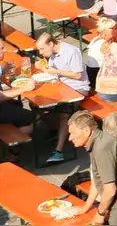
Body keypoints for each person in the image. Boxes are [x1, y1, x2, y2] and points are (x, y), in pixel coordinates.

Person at [69, 111, 117, 225]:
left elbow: (110, 190)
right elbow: (97, 181)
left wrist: (100, 214)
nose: (70, 138)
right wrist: (85, 207)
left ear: (86, 131)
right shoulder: (98, 141)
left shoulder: (102, 148)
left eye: (73, 133)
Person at [36, 31, 90, 163]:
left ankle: (59, 151)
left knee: (64, 114)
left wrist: (56, 72)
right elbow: (53, 71)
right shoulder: (52, 54)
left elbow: (78, 75)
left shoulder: (71, 51)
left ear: (51, 43)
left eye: (42, 49)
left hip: (78, 88)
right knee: (37, 103)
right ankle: (54, 131)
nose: (41, 53)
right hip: (62, 87)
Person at [0, 36, 34, 137]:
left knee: (17, 104)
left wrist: (1, 72)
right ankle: (6, 145)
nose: (4, 50)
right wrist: (24, 89)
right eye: (1, 48)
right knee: (30, 119)